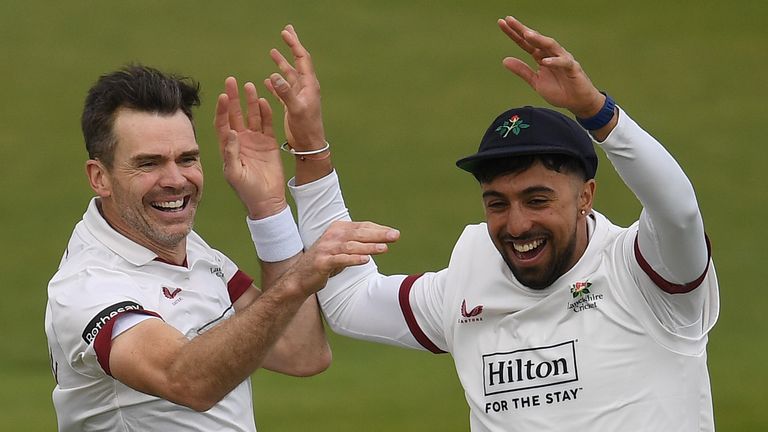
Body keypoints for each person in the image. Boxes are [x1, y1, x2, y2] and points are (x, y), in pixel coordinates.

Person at [259, 19, 719, 431]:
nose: (516, 225)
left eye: (537, 199)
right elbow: (350, 302)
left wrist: (597, 113)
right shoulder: (470, 275)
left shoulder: (648, 272)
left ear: (585, 196)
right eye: (497, 203)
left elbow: (678, 211)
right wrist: (311, 151)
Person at [44, 31, 398, 431]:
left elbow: (300, 352)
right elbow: (187, 381)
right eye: (149, 163)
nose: (176, 180)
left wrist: (269, 211)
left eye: (187, 158)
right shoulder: (88, 287)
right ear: (100, 177)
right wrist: (300, 278)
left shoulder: (189, 250)